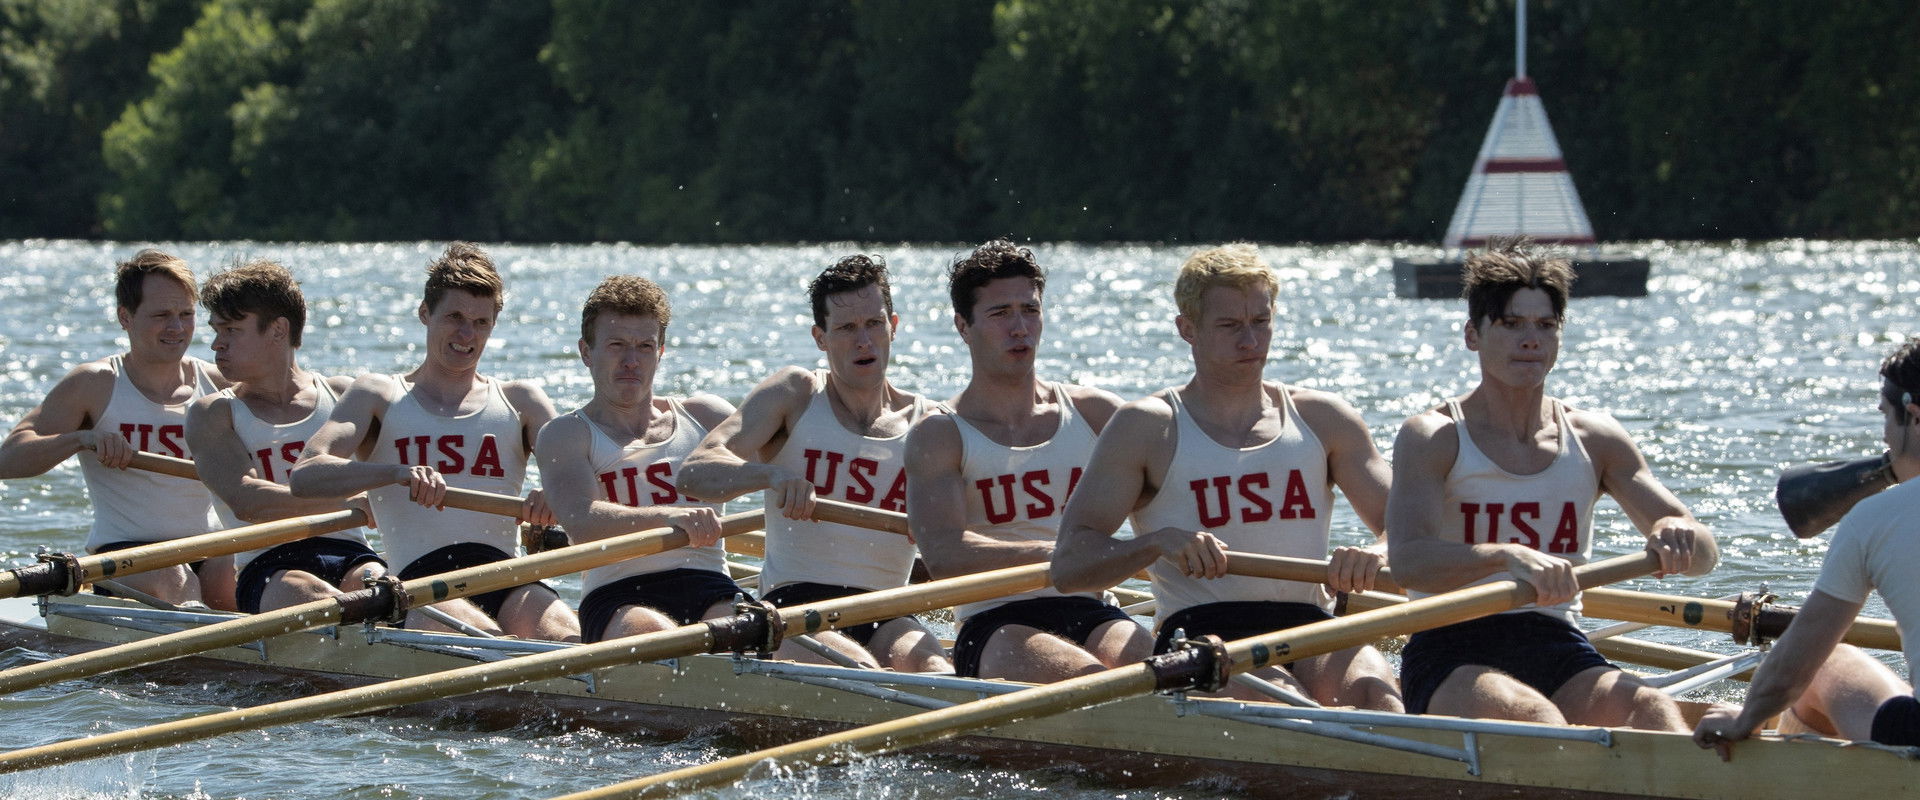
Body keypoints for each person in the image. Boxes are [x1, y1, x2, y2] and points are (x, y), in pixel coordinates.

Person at [1386, 238, 1716, 730]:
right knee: (1537, 720)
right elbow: (1409, 562)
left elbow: (1706, 557)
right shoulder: (1432, 437)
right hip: (1449, 645)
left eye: (1545, 326)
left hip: (1555, 639)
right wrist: (1505, 556)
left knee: (1652, 708)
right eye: (1512, 324)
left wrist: (1675, 531)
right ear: (1472, 335)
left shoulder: (1595, 437)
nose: (1531, 340)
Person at [1052, 244, 1400, 708]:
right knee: (1288, 707)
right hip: (1202, 636)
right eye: (1230, 326)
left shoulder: (1324, 418)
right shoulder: (1148, 427)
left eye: (1261, 322)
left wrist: (1375, 553)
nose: (1251, 342)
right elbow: (1070, 564)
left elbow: (1410, 526)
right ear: (1187, 329)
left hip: (1310, 624)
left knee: (1377, 697)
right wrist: (1157, 543)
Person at [289, 242, 577, 641]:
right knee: (486, 642)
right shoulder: (378, 395)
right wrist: (394, 474)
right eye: (455, 317)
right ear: (425, 314)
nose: (466, 334)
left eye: (480, 322)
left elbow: (587, 481)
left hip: (507, 577)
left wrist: (557, 495)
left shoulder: (520, 400)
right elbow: (305, 476)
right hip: (420, 583)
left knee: (568, 639)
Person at [678, 255, 952, 672]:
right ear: (820, 337)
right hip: (794, 607)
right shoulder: (796, 394)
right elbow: (695, 473)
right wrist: (770, 475)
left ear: (893, 326)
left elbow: (968, 530)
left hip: (888, 610)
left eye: (874, 324)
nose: (864, 340)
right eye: (845, 328)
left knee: (939, 676)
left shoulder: (930, 423)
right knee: (864, 675)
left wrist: (941, 526)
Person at [905, 240, 1153, 682]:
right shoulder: (940, 433)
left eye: (1030, 311)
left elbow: (1174, 498)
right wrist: (1057, 554)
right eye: (1000, 314)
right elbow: (942, 554)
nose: (1019, 328)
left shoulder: (1097, 414)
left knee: (1167, 674)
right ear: (964, 326)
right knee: (1095, 680)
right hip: (995, 621)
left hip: (1091, 608)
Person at [1694, 338, 1920, 757]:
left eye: (1885, 420)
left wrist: (1745, 718)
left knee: (1829, 664)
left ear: (1913, 415)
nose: (1886, 440)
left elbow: (1796, 661)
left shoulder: (1873, 518)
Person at [0, 249, 235, 609]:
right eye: (161, 315)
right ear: (125, 317)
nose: (177, 328)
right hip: (124, 556)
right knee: (176, 579)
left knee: (241, 573)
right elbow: (9, 459)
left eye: (186, 314)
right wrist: (82, 439)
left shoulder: (219, 384)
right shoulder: (94, 384)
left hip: (208, 550)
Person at [535, 275, 741, 642]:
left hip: (711, 585)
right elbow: (582, 521)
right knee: (659, 635)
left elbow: (779, 466)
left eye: (644, 346)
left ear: (660, 352)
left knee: (737, 633)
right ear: (586, 352)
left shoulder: (708, 417)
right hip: (619, 596)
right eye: (617, 345)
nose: (631, 361)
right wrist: (669, 515)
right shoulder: (565, 434)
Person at [184, 260, 386, 614]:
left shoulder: (344, 395)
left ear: (278, 330)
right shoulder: (213, 413)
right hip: (268, 565)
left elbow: (411, 461)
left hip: (352, 554)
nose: (217, 345)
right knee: (329, 603)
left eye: (231, 330)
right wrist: (348, 503)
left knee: (386, 590)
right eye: (217, 331)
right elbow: (248, 501)